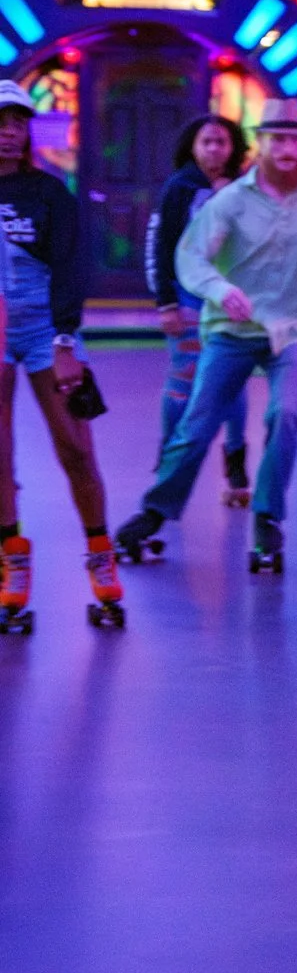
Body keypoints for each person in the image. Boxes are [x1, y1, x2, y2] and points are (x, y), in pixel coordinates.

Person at [116, 98, 297, 575]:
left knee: (285, 416)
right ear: (260, 144)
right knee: (197, 423)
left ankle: (267, 518)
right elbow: (190, 256)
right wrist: (219, 289)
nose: (287, 150)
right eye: (277, 140)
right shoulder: (231, 200)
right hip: (233, 328)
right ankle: (155, 512)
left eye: (294, 140)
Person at [0, 78, 122, 627]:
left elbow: (71, 268)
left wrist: (66, 340)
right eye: (0, 124)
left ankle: (100, 554)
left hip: (46, 329)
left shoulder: (49, 193)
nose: (8, 133)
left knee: (75, 448)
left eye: (17, 124)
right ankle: (12, 561)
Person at [148, 114, 253, 506]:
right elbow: (161, 246)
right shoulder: (179, 188)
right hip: (189, 297)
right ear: (192, 147)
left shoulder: (247, 188)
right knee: (183, 378)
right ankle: (169, 459)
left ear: (233, 147)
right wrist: (166, 303)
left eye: (221, 142)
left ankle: (236, 463)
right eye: (206, 142)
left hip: (233, 299)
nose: (214, 149)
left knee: (234, 380)